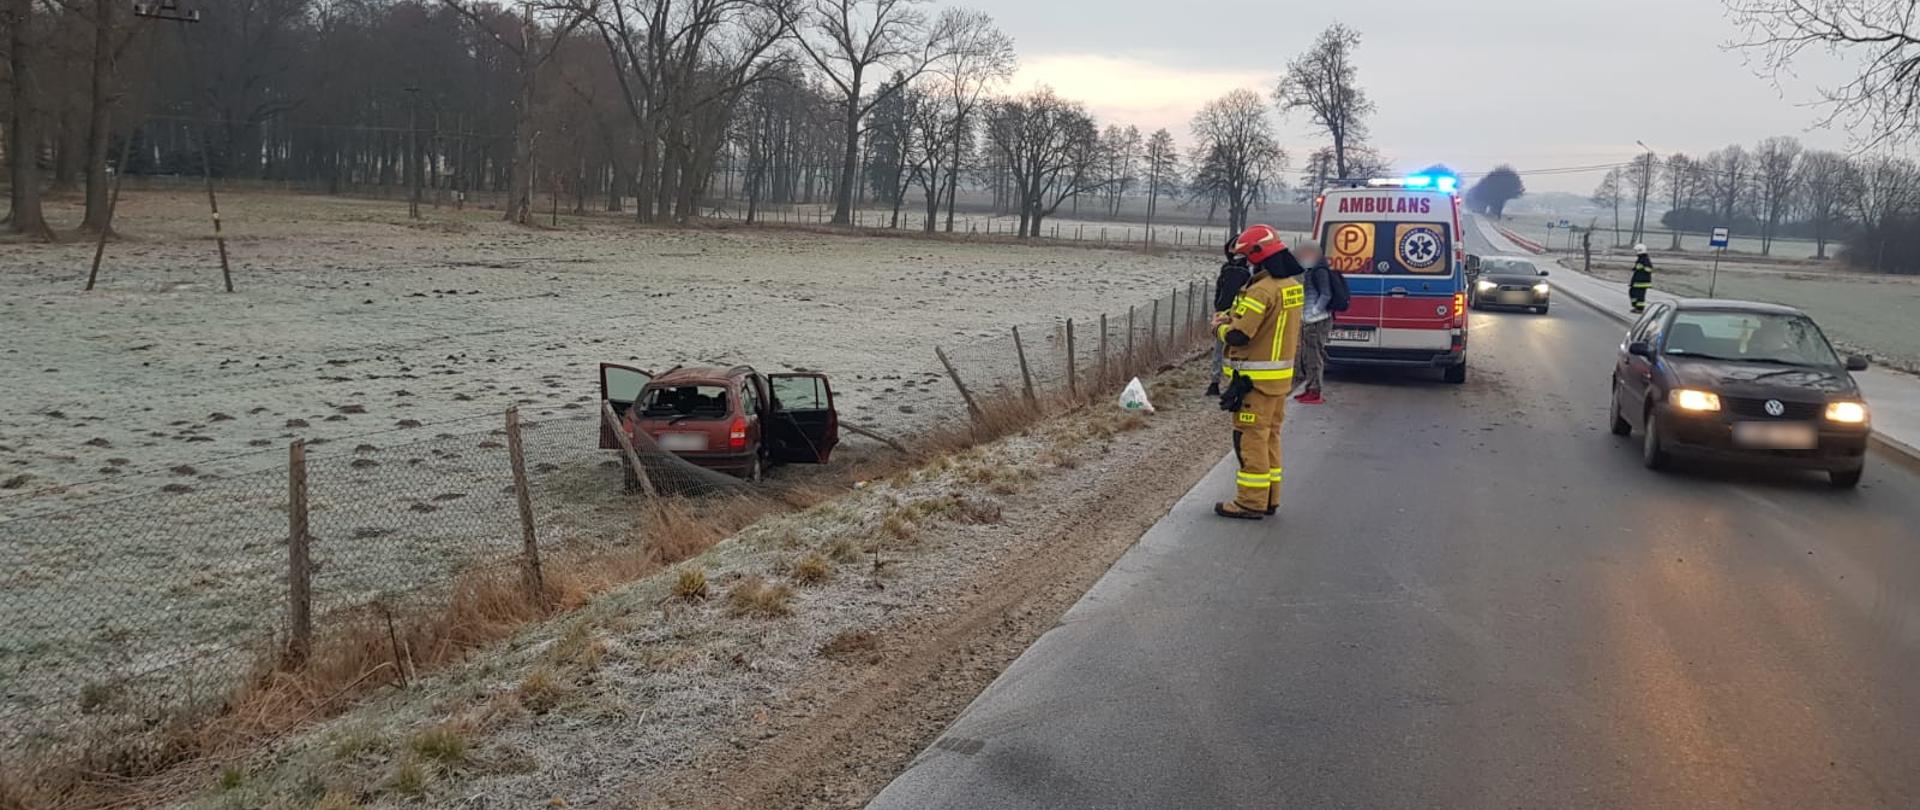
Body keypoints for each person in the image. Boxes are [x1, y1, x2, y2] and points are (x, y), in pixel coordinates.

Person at [1212, 224, 1306, 521]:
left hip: (1254, 382)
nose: (1246, 264)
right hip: (1278, 381)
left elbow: (1240, 335)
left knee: (1250, 439)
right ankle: (1270, 498)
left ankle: (1250, 502)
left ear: (1258, 255)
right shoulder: (1290, 286)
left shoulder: (1262, 290)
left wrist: (1220, 326)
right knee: (1270, 438)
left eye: (1247, 258)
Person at [1207, 239, 1254, 397]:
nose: (1234, 250)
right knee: (1219, 349)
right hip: (1223, 313)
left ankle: (1234, 382)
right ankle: (1215, 382)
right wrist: (1218, 307)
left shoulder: (1250, 270)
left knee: (1236, 349)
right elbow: (1219, 289)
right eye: (1233, 247)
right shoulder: (1226, 268)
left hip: (1240, 314)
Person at [1292, 241, 1333, 405]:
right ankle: (1309, 388)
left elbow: (1326, 295)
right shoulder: (1311, 270)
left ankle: (1315, 391)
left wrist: (1314, 312)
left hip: (1316, 321)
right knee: (1309, 356)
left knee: (1314, 356)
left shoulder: (1320, 271)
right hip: (1310, 320)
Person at [1629, 244, 1654, 313]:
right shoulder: (1640, 259)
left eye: (1636, 251)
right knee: (1632, 292)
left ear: (1639, 251)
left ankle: (1640, 309)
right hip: (1637, 281)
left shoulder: (1645, 259)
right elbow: (1637, 269)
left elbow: (1649, 269)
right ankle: (1635, 306)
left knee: (1640, 296)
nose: (1635, 252)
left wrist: (1643, 267)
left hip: (1642, 282)